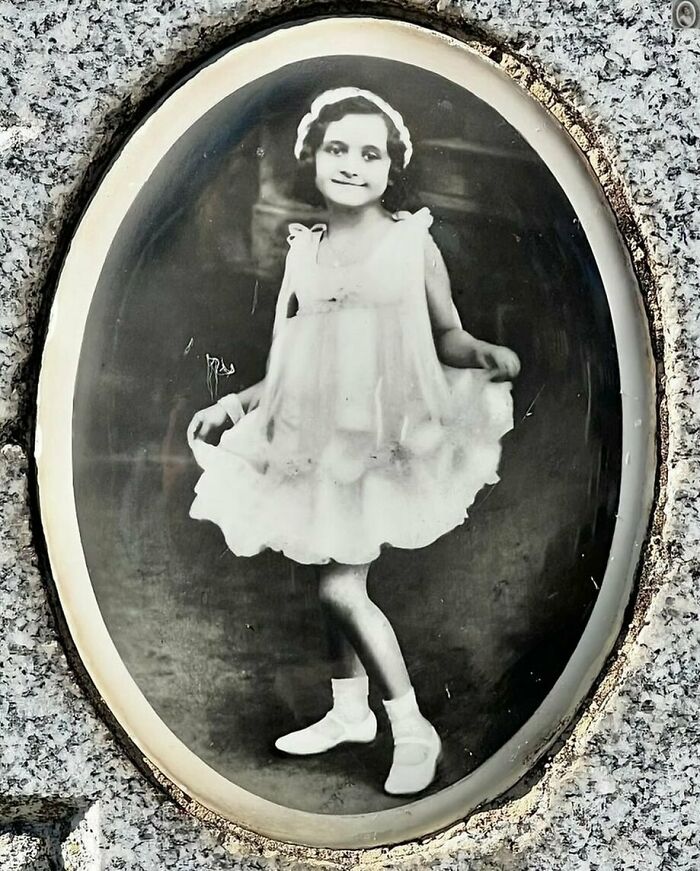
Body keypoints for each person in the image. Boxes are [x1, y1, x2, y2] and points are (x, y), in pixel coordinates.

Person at [187, 87, 520, 796]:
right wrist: (232, 401)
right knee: (326, 576)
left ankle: (411, 725)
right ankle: (349, 711)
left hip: (377, 442)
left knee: (341, 585)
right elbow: (290, 359)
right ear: (313, 157)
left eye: (370, 154)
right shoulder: (305, 250)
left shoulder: (410, 241)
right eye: (338, 149)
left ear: (390, 168)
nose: (351, 164)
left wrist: (481, 351)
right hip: (315, 442)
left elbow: (446, 332)